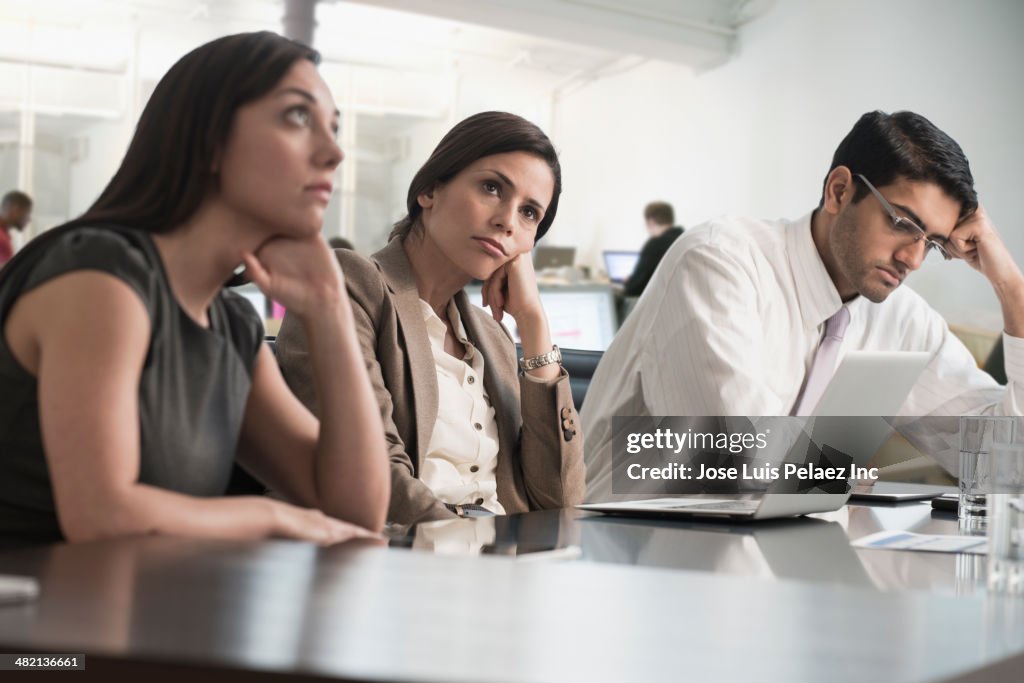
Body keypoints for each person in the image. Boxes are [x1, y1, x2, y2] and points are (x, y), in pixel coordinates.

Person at [0, 32, 389, 544]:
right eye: (298, 116)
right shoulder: (101, 275)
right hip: (35, 618)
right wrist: (274, 517)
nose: (334, 152)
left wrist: (330, 310)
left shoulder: (230, 323)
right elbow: (101, 515)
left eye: (334, 128)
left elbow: (357, 512)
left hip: (138, 614)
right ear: (209, 140)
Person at [582, 110, 1024, 501]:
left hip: (776, 559)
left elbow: (1000, 468)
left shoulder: (903, 319)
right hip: (629, 545)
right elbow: (739, 461)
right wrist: (842, 474)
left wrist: (1012, 289)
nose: (912, 258)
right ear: (839, 190)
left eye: (932, 243)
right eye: (902, 223)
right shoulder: (720, 261)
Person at [278, 111, 586, 524]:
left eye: (530, 213)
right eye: (492, 188)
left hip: (500, 563)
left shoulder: (491, 338)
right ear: (429, 190)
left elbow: (561, 501)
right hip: (399, 558)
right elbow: (369, 468)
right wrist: (463, 542)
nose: (507, 221)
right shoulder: (351, 285)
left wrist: (532, 323)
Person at [622, 201, 683, 296]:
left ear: (651, 222)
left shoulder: (655, 245)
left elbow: (635, 288)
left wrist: (628, 283)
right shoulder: (683, 238)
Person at [0, 191, 32, 269]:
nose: (29, 219)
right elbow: (6, 274)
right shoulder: (1, 238)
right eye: (27, 213)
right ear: (16, 210)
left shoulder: (4, 234)